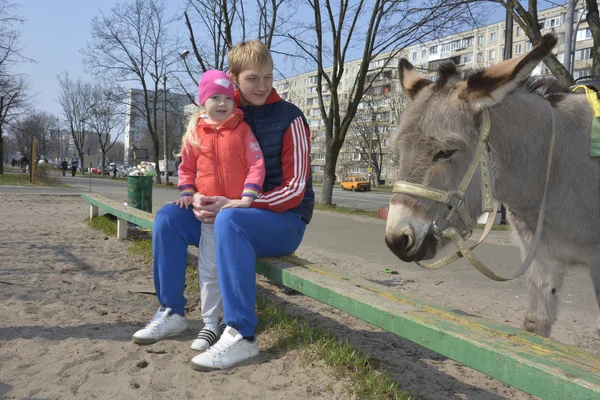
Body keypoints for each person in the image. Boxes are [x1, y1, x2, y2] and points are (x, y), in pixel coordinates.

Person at [132, 40, 314, 371]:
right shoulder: (223, 113)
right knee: (169, 218)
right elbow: (199, 165)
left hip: (284, 221)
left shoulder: (291, 118)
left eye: (268, 78)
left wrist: (240, 203)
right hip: (230, 215)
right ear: (233, 77)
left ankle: (242, 334)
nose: (262, 86)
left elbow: (296, 190)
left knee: (231, 220)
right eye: (252, 78)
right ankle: (172, 312)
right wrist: (197, 196)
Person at [144, 69, 265, 352]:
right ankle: (209, 323)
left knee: (219, 268)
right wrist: (188, 192)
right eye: (215, 98)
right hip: (208, 213)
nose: (222, 104)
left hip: (232, 214)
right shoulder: (195, 133)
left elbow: (257, 165)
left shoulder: (242, 130)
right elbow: (186, 168)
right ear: (203, 101)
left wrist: (247, 196)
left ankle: (222, 323)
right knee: (208, 269)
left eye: (227, 98)